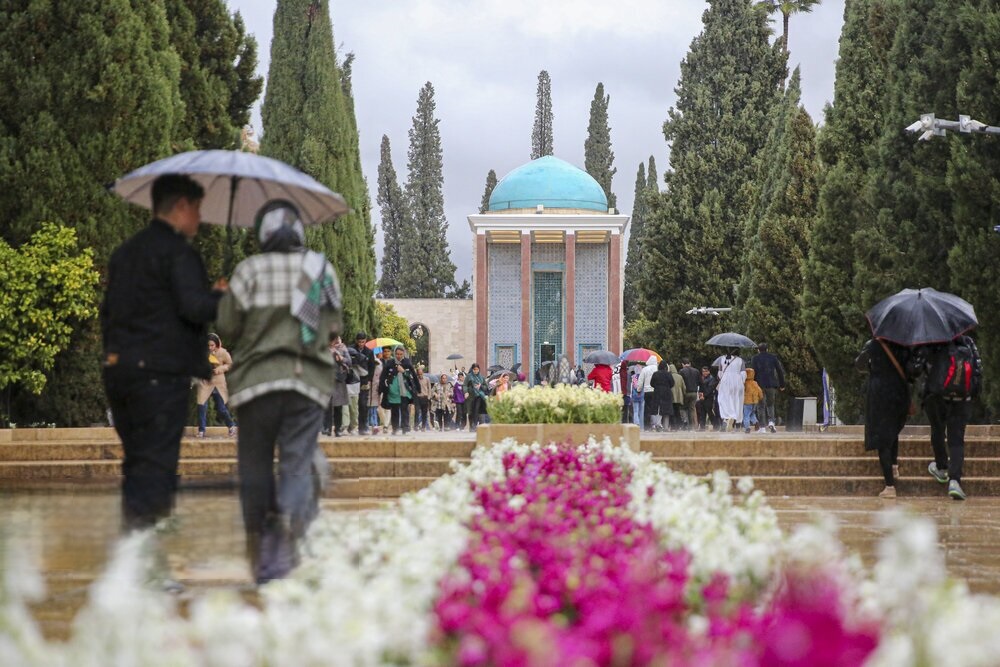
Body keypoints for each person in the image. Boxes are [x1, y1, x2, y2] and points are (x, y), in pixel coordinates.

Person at [216, 199, 342, 584]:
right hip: (305, 383)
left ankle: (258, 544)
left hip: (255, 385)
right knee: (296, 461)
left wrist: (224, 297)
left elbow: (227, 328)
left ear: (264, 234)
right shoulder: (321, 269)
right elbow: (333, 328)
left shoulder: (248, 270)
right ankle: (288, 529)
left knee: (254, 465)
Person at [101, 174, 225, 536]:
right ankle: (144, 553)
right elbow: (193, 307)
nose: (199, 218)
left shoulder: (125, 253)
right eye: (197, 209)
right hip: (159, 374)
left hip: (120, 372)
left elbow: (109, 313)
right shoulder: (179, 253)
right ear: (181, 206)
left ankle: (132, 545)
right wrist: (218, 296)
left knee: (138, 463)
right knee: (157, 466)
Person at [918, 334, 982, 501]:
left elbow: (920, 367)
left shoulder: (934, 342)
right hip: (962, 399)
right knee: (956, 440)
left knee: (937, 430)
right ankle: (955, 481)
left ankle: (941, 467)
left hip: (937, 397)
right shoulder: (968, 343)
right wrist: (972, 395)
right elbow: (977, 370)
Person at [855, 338, 913, 499]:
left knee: (882, 439)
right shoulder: (903, 345)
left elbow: (859, 365)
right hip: (899, 393)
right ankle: (894, 465)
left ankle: (889, 486)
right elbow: (912, 370)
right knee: (892, 430)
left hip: (880, 394)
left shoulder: (873, 345)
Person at [196, 333, 237, 438]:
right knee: (201, 406)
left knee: (221, 408)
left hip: (218, 383)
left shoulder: (223, 352)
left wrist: (220, 369)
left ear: (217, 344)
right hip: (205, 382)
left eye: (212, 345)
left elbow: (230, 364)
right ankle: (201, 430)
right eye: (208, 345)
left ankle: (231, 426)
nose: (210, 347)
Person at [380, 346, 417, 435]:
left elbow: (412, 376)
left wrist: (404, 371)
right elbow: (383, 376)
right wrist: (383, 388)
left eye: (401, 354)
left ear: (403, 354)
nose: (399, 356)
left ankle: (405, 428)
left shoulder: (407, 363)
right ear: (394, 354)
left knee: (404, 410)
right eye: (397, 354)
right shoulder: (390, 363)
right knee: (394, 411)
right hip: (393, 392)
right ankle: (395, 428)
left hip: (404, 391)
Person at [749, 343, 785, 433]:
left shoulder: (755, 358)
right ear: (767, 349)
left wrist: (752, 385)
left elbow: (753, 372)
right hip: (771, 384)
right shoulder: (773, 357)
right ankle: (771, 422)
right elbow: (779, 370)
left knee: (760, 406)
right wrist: (782, 384)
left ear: (758, 350)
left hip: (759, 385)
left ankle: (762, 427)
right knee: (770, 404)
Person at [323, 334, 352, 437]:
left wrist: (341, 358)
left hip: (339, 380)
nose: (335, 341)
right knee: (327, 405)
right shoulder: (324, 348)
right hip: (327, 379)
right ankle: (327, 427)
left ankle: (338, 429)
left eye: (336, 338)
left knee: (338, 406)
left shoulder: (342, 348)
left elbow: (349, 362)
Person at [715, 349, 746, 432]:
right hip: (738, 381)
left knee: (723, 400)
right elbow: (743, 374)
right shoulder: (741, 360)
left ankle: (727, 417)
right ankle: (737, 422)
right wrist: (741, 382)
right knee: (738, 402)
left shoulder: (722, 359)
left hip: (725, 381)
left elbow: (720, 373)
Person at [353, 333, 376, 435]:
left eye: (363, 342)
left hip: (364, 381)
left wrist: (368, 380)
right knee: (353, 405)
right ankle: (352, 426)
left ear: (365, 341)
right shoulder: (352, 350)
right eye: (359, 342)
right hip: (353, 380)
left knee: (363, 404)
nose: (361, 344)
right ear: (356, 341)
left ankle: (363, 427)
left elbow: (372, 367)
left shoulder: (369, 352)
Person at [648, 360, 674, 432]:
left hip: (657, 392)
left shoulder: (655, 374)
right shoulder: (668, 374)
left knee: (658, 409)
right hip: (667, 392)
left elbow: (651, 383)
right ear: (666, 367)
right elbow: (672, 383)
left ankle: (658, 425)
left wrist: (657, 386)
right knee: (667, 409)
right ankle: (666, 426)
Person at [636, 356, 658, 430]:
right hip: (656, 391)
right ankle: (655, 425)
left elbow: (640, 380)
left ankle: (647, 426)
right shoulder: (658, 368)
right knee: (655, 408)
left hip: (647, 391)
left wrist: (638, 390)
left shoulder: (645, 369)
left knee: (647, 409)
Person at [464, 364, 488, 431]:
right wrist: (466, 392)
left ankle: (475, 425)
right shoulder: (469, 376)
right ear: (472, 369)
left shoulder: (481, 377)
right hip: (471, 397)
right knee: (471, 411)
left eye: (477, 369)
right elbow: (465, 385)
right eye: (474, 369)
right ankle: (471, 426)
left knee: (477, 411)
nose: (476, 371)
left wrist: (480, 386)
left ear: (479, 369)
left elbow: (486, 387)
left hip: (479, 396)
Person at [679, 359, 700, 430]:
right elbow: (700, 382)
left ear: (682, 364)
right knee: (692, 409)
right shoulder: (696, 371)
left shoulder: (681, 371)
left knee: (683, 407)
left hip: (686, 392)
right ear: (690, 363)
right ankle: (692, 426)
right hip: (694, 392)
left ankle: (685, 422)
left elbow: (681, 383)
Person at [697, 366, 720, 431]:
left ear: (709, 371)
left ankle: (716, 426)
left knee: (709, 412)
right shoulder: (702, 378)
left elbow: (710, 389)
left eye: (706, 371)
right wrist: (700, 395)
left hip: (708, 398)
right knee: (702, 412)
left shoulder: (711, 378)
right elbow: (700, 388)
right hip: (702, 397)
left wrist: (703, 395)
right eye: (703, 371)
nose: (704, 373)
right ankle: (702, 427)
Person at [743, 368, 764, 434]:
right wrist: (761, 397)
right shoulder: (755, 383)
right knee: (752, 413)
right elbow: (760, 391)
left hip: (747, 401)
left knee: (746, 415)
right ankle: (756, 422)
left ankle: (747, 427)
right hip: (755, 401)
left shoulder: (744, 383)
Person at [368, 355, 383, 435]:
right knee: (369, 410)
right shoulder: (367, 368)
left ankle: (375, 425)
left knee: (373, 410)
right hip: (368, 391)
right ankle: (370, 425)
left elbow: (380, 379)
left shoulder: (379, 368)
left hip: (375, 392)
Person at [668, 363, 686, 430]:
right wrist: (684, 394)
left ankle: (673, 426)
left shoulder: (669, 376)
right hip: (679, 395)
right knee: (677, 410)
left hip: (671, 395)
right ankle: (679, 425)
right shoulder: (680, 377)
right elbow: (684, 387)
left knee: (671, 411)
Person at [414, 367, 431, 431]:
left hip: (425, 397)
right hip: (418, 398)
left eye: (421, 374)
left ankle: (423, 427)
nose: (420, 375)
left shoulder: (427, 379)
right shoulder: (416, 379)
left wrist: (429, 397)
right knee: (417, 412)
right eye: (419, 374)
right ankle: (416, 426)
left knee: (424, 413)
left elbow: (429, 389)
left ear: (423, 373)